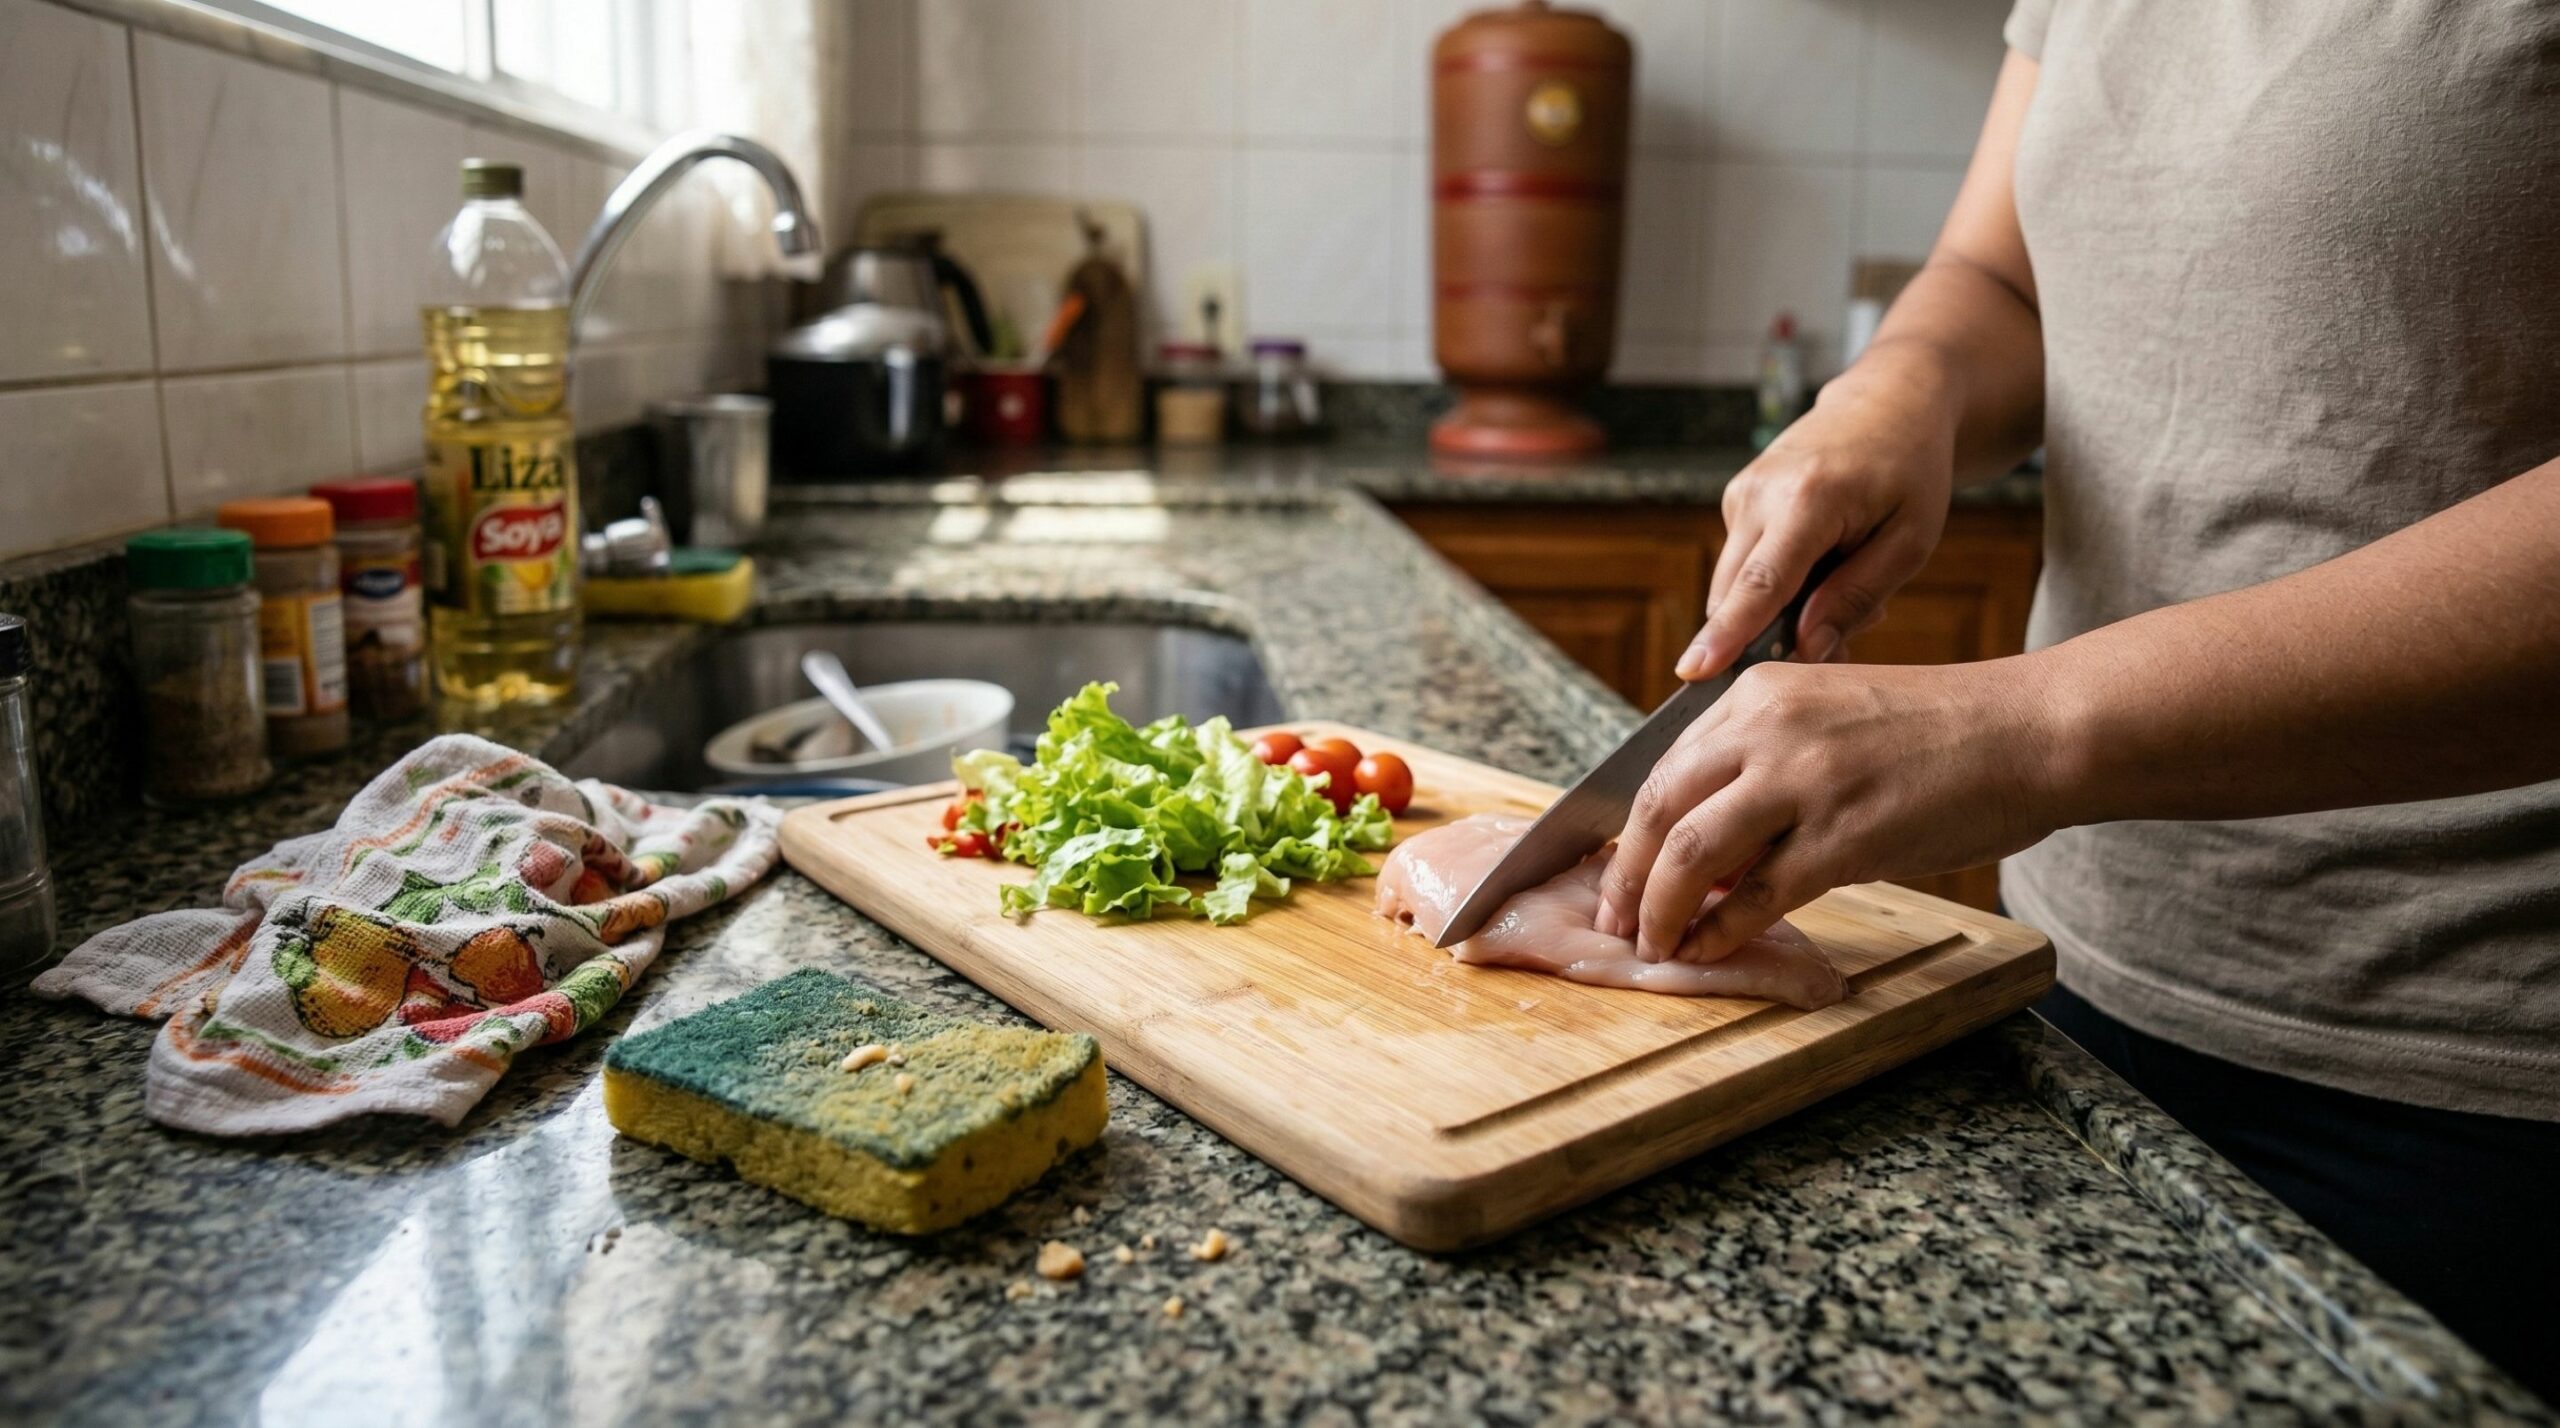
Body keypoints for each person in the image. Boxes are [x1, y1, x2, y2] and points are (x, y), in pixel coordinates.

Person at [1590, 0, 2560, 1395]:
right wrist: (1898, 395)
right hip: (2070, 993)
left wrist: (2021, 724)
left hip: (2464, 1094)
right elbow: (2000, 276)